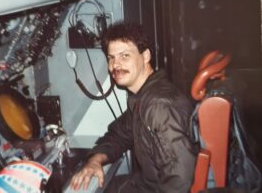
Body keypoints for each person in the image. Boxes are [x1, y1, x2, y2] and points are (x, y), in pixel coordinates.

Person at [70, 22, 198, 192]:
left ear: (145, 56)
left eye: (124, 56)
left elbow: (179, 178)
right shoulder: (142, 98)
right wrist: (95, 160)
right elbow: (119, 134)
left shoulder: (157, 106)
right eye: (111, 57)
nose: (116, 65)